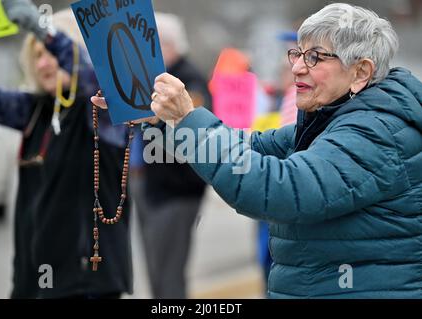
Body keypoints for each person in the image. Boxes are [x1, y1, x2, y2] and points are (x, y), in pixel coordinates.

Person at [96, 3, 422, 298]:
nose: (295, 68)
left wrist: (188, 118)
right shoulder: (333, 120)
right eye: (297, 54)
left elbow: (278, 189)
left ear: (361, 72)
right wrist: (167, 120)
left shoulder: (376, 130)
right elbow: (246, 147)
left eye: (315, 57)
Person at [0, 1, 132, 298]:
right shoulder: (35, 110)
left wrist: (43, 29)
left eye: (50, 53)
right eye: (36, 55)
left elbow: (92, 77)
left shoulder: (101, 109)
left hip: (87, 282)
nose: (43, 63)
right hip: (34, 281)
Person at [130, 12, 211, 299]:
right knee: (155, 269)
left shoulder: (188, 80)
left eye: (151, 45)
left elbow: (191, 137)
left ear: (169, 45)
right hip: (150, 185)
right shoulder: (157, 83)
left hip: (175, 192)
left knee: (168, 274)